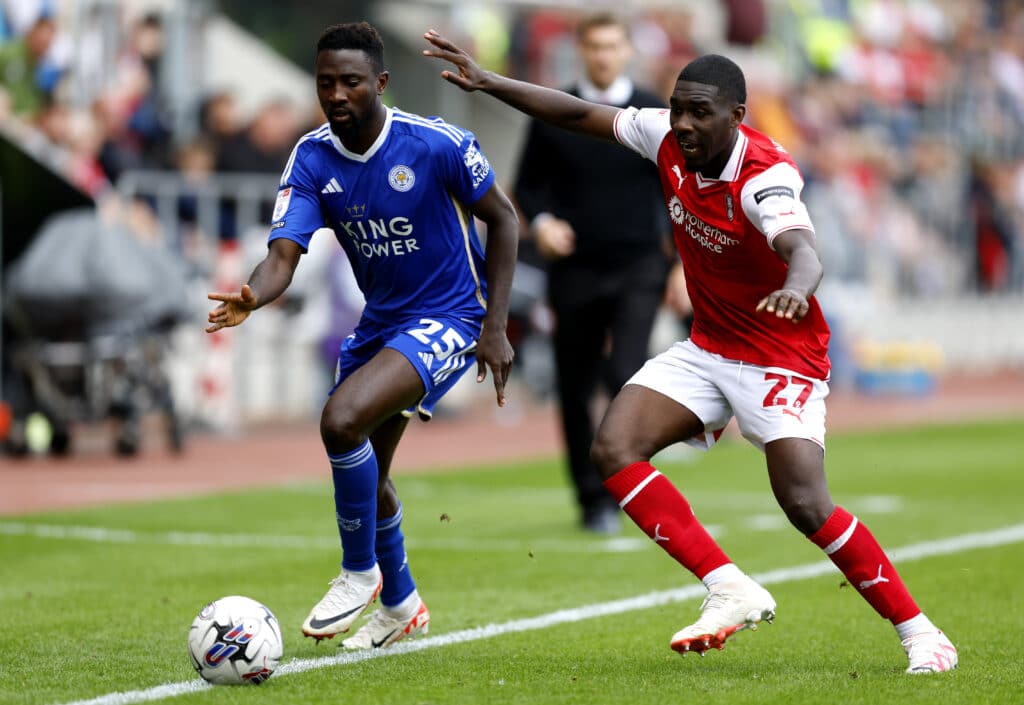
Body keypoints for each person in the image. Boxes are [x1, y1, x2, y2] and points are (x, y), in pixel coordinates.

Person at [423, 31, 957, 673]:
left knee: (804, 503)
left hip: (781, 356)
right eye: (677, 107)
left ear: (738, 115)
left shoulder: (766, 178)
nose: (683, 122)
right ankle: (728, 585)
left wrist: (794, 289)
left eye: (699, 111)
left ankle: (921, 632)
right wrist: (489, 82)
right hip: (709, 347)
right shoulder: (667, 139)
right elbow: (574, 113)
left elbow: (805, 251)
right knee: (613, 447)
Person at [207, 22, 519, 650]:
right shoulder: (312, 156)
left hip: (450, 313)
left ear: (380, 82)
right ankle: (402, 604)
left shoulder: (437, 144)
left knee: (341, 419)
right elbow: (282, 257)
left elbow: (505, 220)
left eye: (351, 82)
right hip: (381, 321)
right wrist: (253, 294)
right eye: (326, 83)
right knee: (369, 473)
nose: (337, 94)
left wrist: (495, 326)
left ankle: (359, 574)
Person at [513, 13, 671, 535]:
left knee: (627, 376)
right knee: (575, 385)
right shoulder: (554, 111)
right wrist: (542, 223)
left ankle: (627, 486)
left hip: (640, 265)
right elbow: (527, 187)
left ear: (627, 51)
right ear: (580, 50)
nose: (603, 55)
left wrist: (683, 267)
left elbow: (678, 191)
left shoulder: (655, 110)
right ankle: (591, 500)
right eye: (594, 46)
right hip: (575, 268)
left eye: (612, 45)